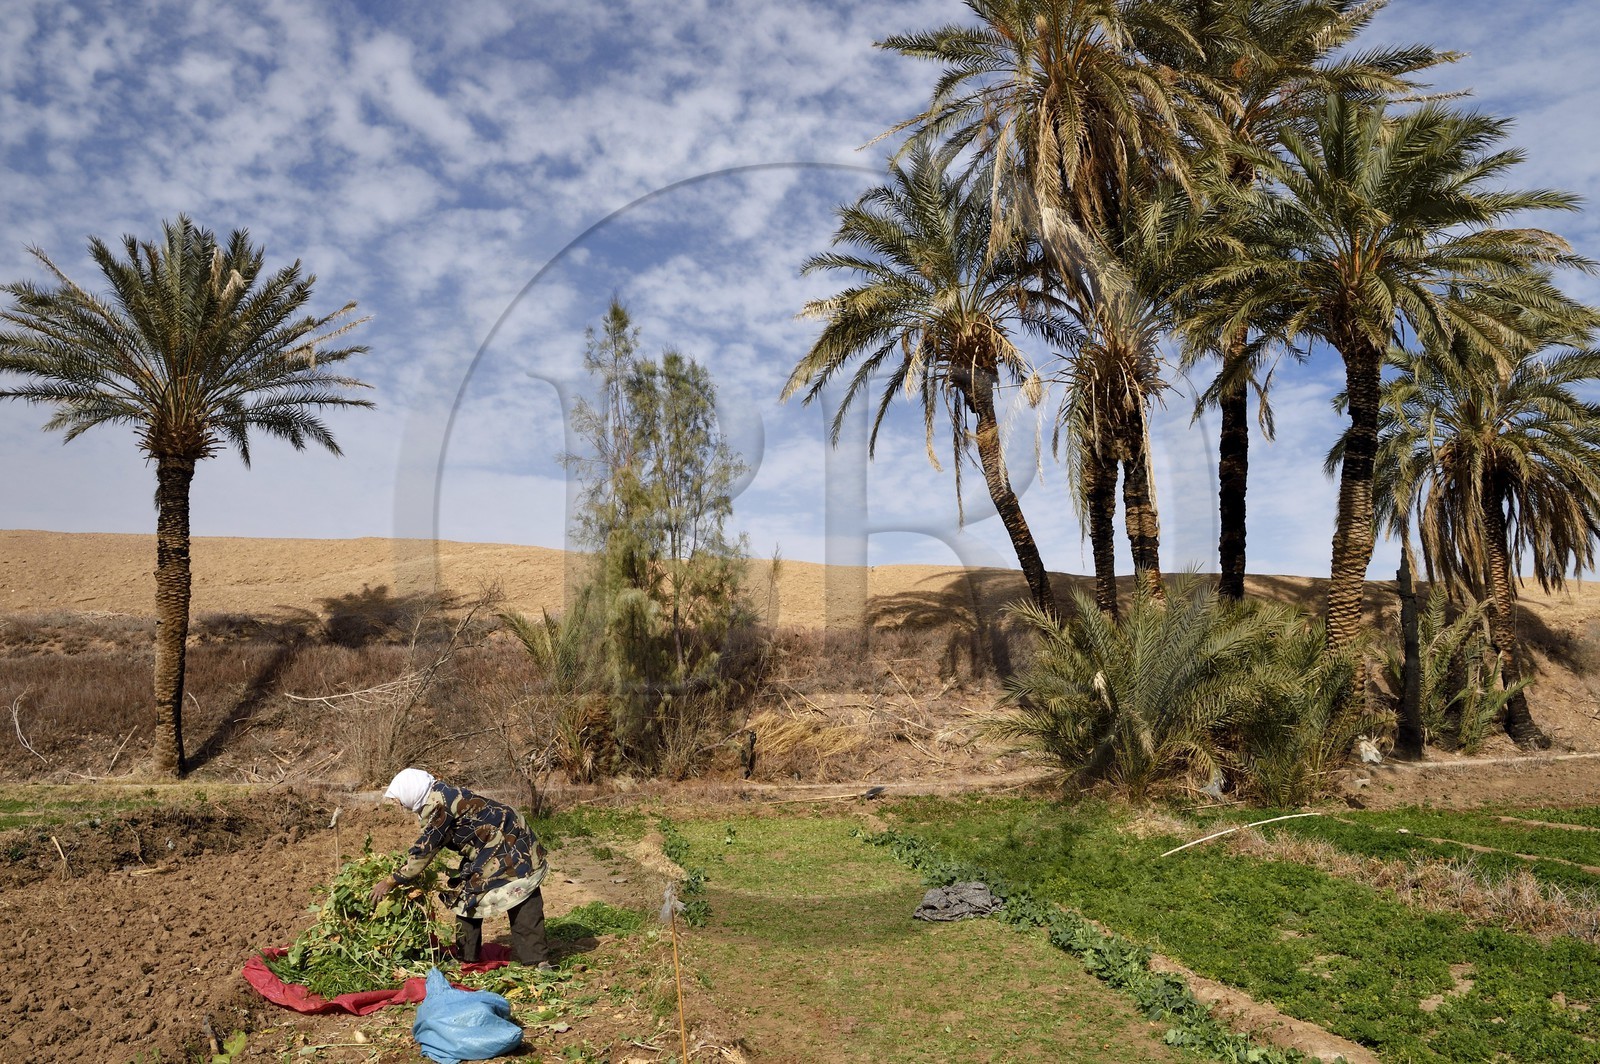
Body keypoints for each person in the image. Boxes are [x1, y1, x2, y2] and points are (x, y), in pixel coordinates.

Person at [369, 768, 551, 967]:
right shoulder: (439, 793)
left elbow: (424, 851)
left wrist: (391, 881)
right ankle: (470, 957)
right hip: (499, 839)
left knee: (516, 894)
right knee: (472, 897)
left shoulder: (439, 807)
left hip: (508, 843)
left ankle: (536, 961)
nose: (401, 805)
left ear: (410, 792)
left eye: (400, 799)